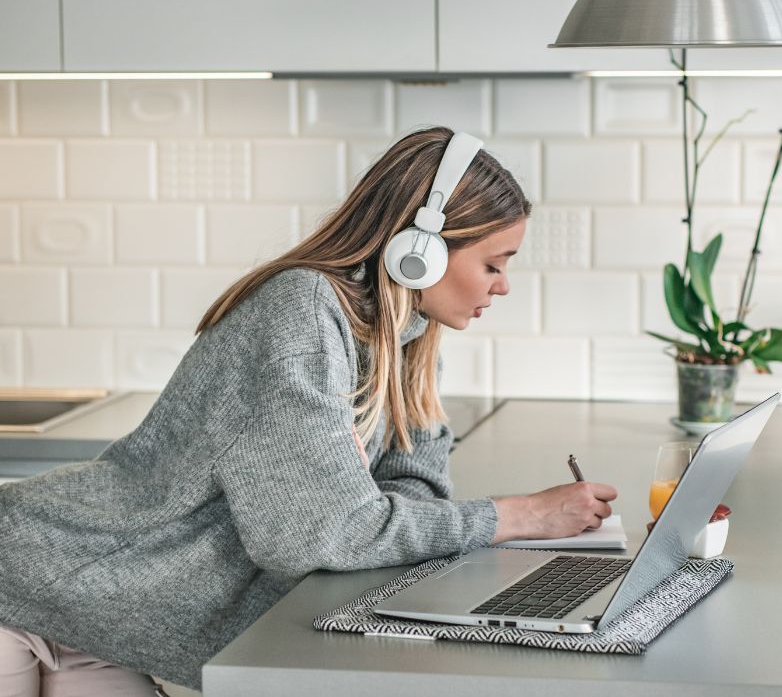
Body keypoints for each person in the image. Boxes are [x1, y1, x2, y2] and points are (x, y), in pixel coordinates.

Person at [0, 126, 617, 695]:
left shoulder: (407, 338)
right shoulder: (301, 315)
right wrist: (518, 515)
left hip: (104, 610)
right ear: (419, 250)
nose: (502, 285)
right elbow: (318, 537)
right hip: (33, 577)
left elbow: (411, 490)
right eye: (493, 264)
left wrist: (362, 505)